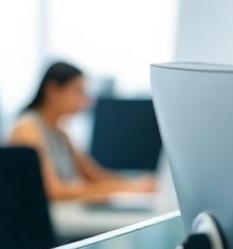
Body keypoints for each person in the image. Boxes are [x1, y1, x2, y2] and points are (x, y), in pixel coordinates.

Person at [9, 62, 155, 203]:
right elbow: (53, 191)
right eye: (78, 92)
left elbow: (96, 176)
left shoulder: (60, 133)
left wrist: (134, 184)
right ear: (52, 90)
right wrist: (125, 189)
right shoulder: (27, 129)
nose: (85, 102)